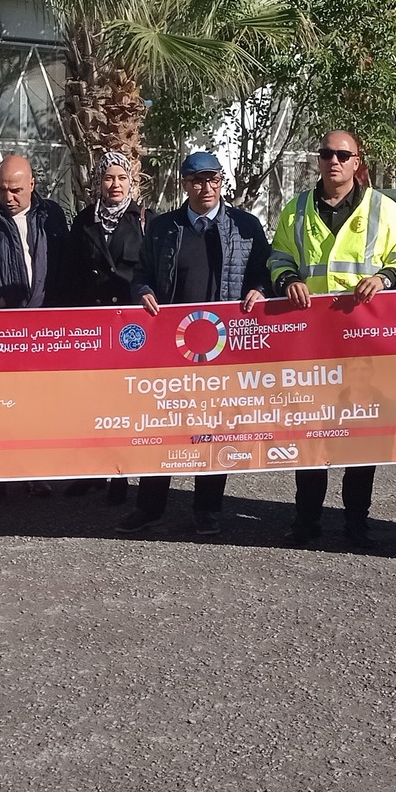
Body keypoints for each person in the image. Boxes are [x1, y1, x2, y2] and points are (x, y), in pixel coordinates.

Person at [268, 130, 396, 548]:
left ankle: (356, 522)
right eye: (326, 154)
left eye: (342, 155)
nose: (333, 161)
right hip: (313, 343)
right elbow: (278, 257)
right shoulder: (296, 209)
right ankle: (306, 520)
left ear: (357, 162)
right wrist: (288, 280)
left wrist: (385, 278)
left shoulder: (384, 209)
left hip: (361, 343)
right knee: (311, 432)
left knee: (361, 433)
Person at [119, 151, 274, 535]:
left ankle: (207, 509)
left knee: (215, 429)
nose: (206, 188)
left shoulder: (246, 227)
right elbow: (142, 274)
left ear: (221, 181)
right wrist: (143, 291)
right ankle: (149, 507)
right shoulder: (163, 228)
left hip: (223, 348)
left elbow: (265, 272)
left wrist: (260, 289)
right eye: (197, 181)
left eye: (213, 180)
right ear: (184, 185)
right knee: (162, 427)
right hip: (171, 348)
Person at [0, 154, 70, 502]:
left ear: (32, 185)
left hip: (42, 324)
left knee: (36, 403)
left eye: (16, 190)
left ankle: (34, 471)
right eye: (2, 189)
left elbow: (64, 262)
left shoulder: (51, 214)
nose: (9, 197)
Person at [64, 151, 147, 503]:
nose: (115, 185)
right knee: (91, 401)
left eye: (122, 178)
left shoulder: (144, 220)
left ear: (131, 182)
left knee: (123, 402)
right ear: (98, 181)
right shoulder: (83, 221)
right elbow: (72, 272)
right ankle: (91, 471)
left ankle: (120, 474)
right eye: (109, 178)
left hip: (128, 326)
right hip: (92, 324)